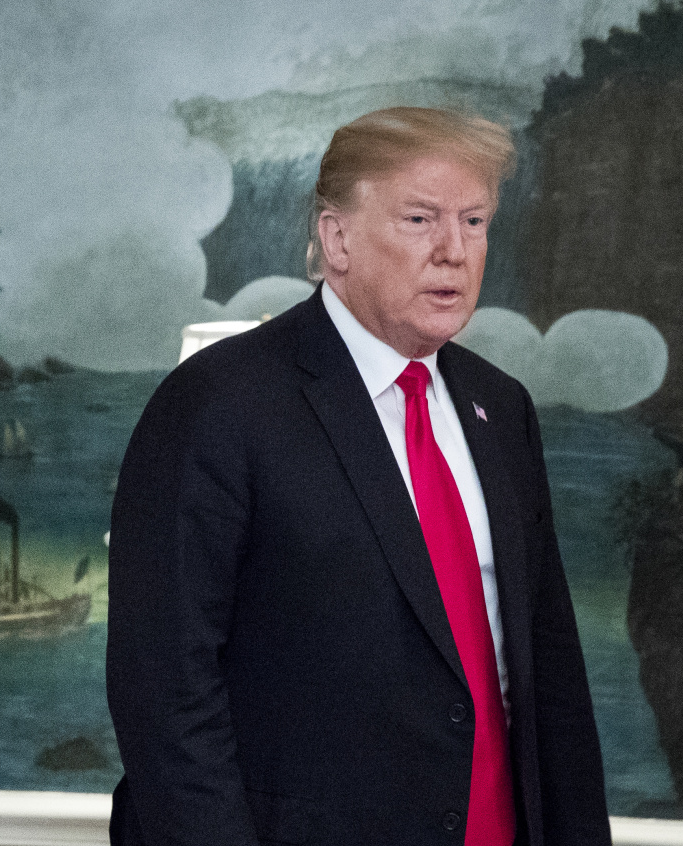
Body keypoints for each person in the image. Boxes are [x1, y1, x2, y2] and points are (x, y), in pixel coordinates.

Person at [106, 107, 611, 846]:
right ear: (337, 238)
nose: (454, 251)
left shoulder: (501, 408)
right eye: (420, 219)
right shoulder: (218, 402)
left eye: (474, 222)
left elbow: (551, 674)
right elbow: (166, 691)